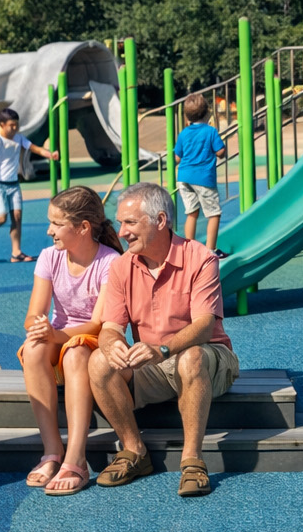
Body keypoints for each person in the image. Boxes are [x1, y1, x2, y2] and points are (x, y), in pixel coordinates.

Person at [87, 182, 239, 497]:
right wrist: (111, 344)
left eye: (130, 222)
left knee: (191, 356)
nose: (122, 231)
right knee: (99, 362)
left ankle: (193, 461)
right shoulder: (121, 267)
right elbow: (110, 327)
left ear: (159, 220)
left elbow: (204, 326)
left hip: (209, 359)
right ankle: (134, 451)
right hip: (156, 365)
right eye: (120, 223)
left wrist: (163, 349)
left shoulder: (200, 258)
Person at [17, 185, 123, 496]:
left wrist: (58, 335)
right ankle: (52, 451)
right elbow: (33, 314)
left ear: (83, 227)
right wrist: (38, 328)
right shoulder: (50, 258)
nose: (49, 231)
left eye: (56, 223)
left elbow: (98, 323)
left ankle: (77, 458)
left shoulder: (110, 261)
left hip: (90, 340)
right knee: (34, 347)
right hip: (58, 337)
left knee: (76, 352)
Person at [0, 108, 59, 264]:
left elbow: (34, 148)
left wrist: (50, 154)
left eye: (16, 125)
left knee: (17, 217)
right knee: (1, 217)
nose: (14, 128)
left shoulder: (19, 138)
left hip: (13, 184)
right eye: (11, 125)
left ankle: (16, 252)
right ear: (2, 124)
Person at [173, 93, 228, 253]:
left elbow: (177, 158)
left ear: (187, 116)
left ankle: (189, 250)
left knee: (192, 213)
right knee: (214, 214)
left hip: (183, 178)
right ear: (207, 113)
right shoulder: (210, 131)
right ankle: (211, 250)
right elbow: (221, 152)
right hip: (203, 178)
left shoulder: (183, 133)